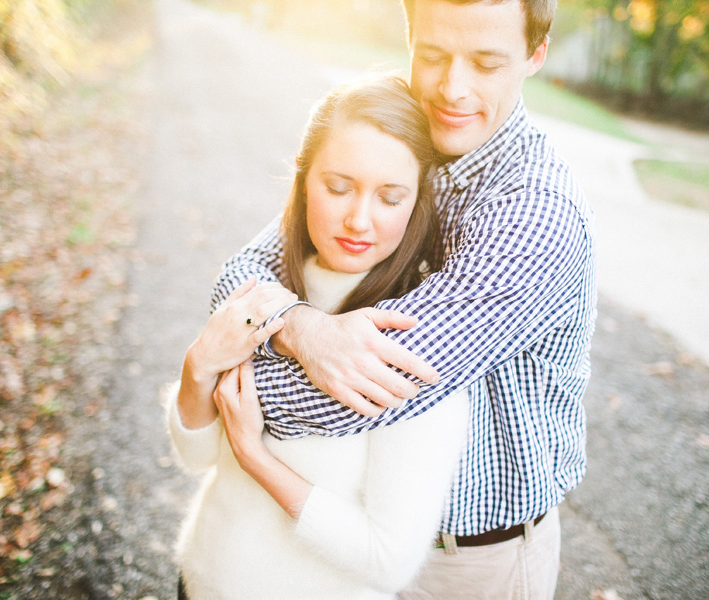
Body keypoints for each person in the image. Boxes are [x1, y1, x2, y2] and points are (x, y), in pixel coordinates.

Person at [211, 1, 597, 598]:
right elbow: (242, 271)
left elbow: (361, 392)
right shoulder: (397, 128)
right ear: (410, 38)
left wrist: (222, 378)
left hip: (466, 562)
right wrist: (297, 326)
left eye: (486, 63)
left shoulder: (534, 213)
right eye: (435, 55)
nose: (453, 88)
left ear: (535, 56)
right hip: (347, 536)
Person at [168, 75, 470, 600]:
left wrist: (255, 457)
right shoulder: (266, 292)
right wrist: (197, 366)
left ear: (417, 202)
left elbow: (388, 559)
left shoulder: (414, 337)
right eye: (338, 187)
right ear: (304, 180)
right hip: (199, 581)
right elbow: (195, 456)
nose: (359, 219)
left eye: (390, 197)